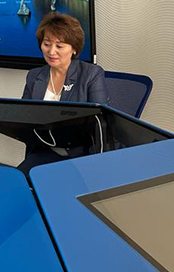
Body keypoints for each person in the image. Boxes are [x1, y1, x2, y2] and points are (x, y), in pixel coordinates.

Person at [19, 12, 109, 172]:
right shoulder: (34, 76)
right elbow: (22, 118)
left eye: (59, 46)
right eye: (47, 44)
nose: (51, 51)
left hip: (80, 156)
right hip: (44, 152)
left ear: (74, 48)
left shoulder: (91, 74)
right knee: (16, 181)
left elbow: (101, 123)